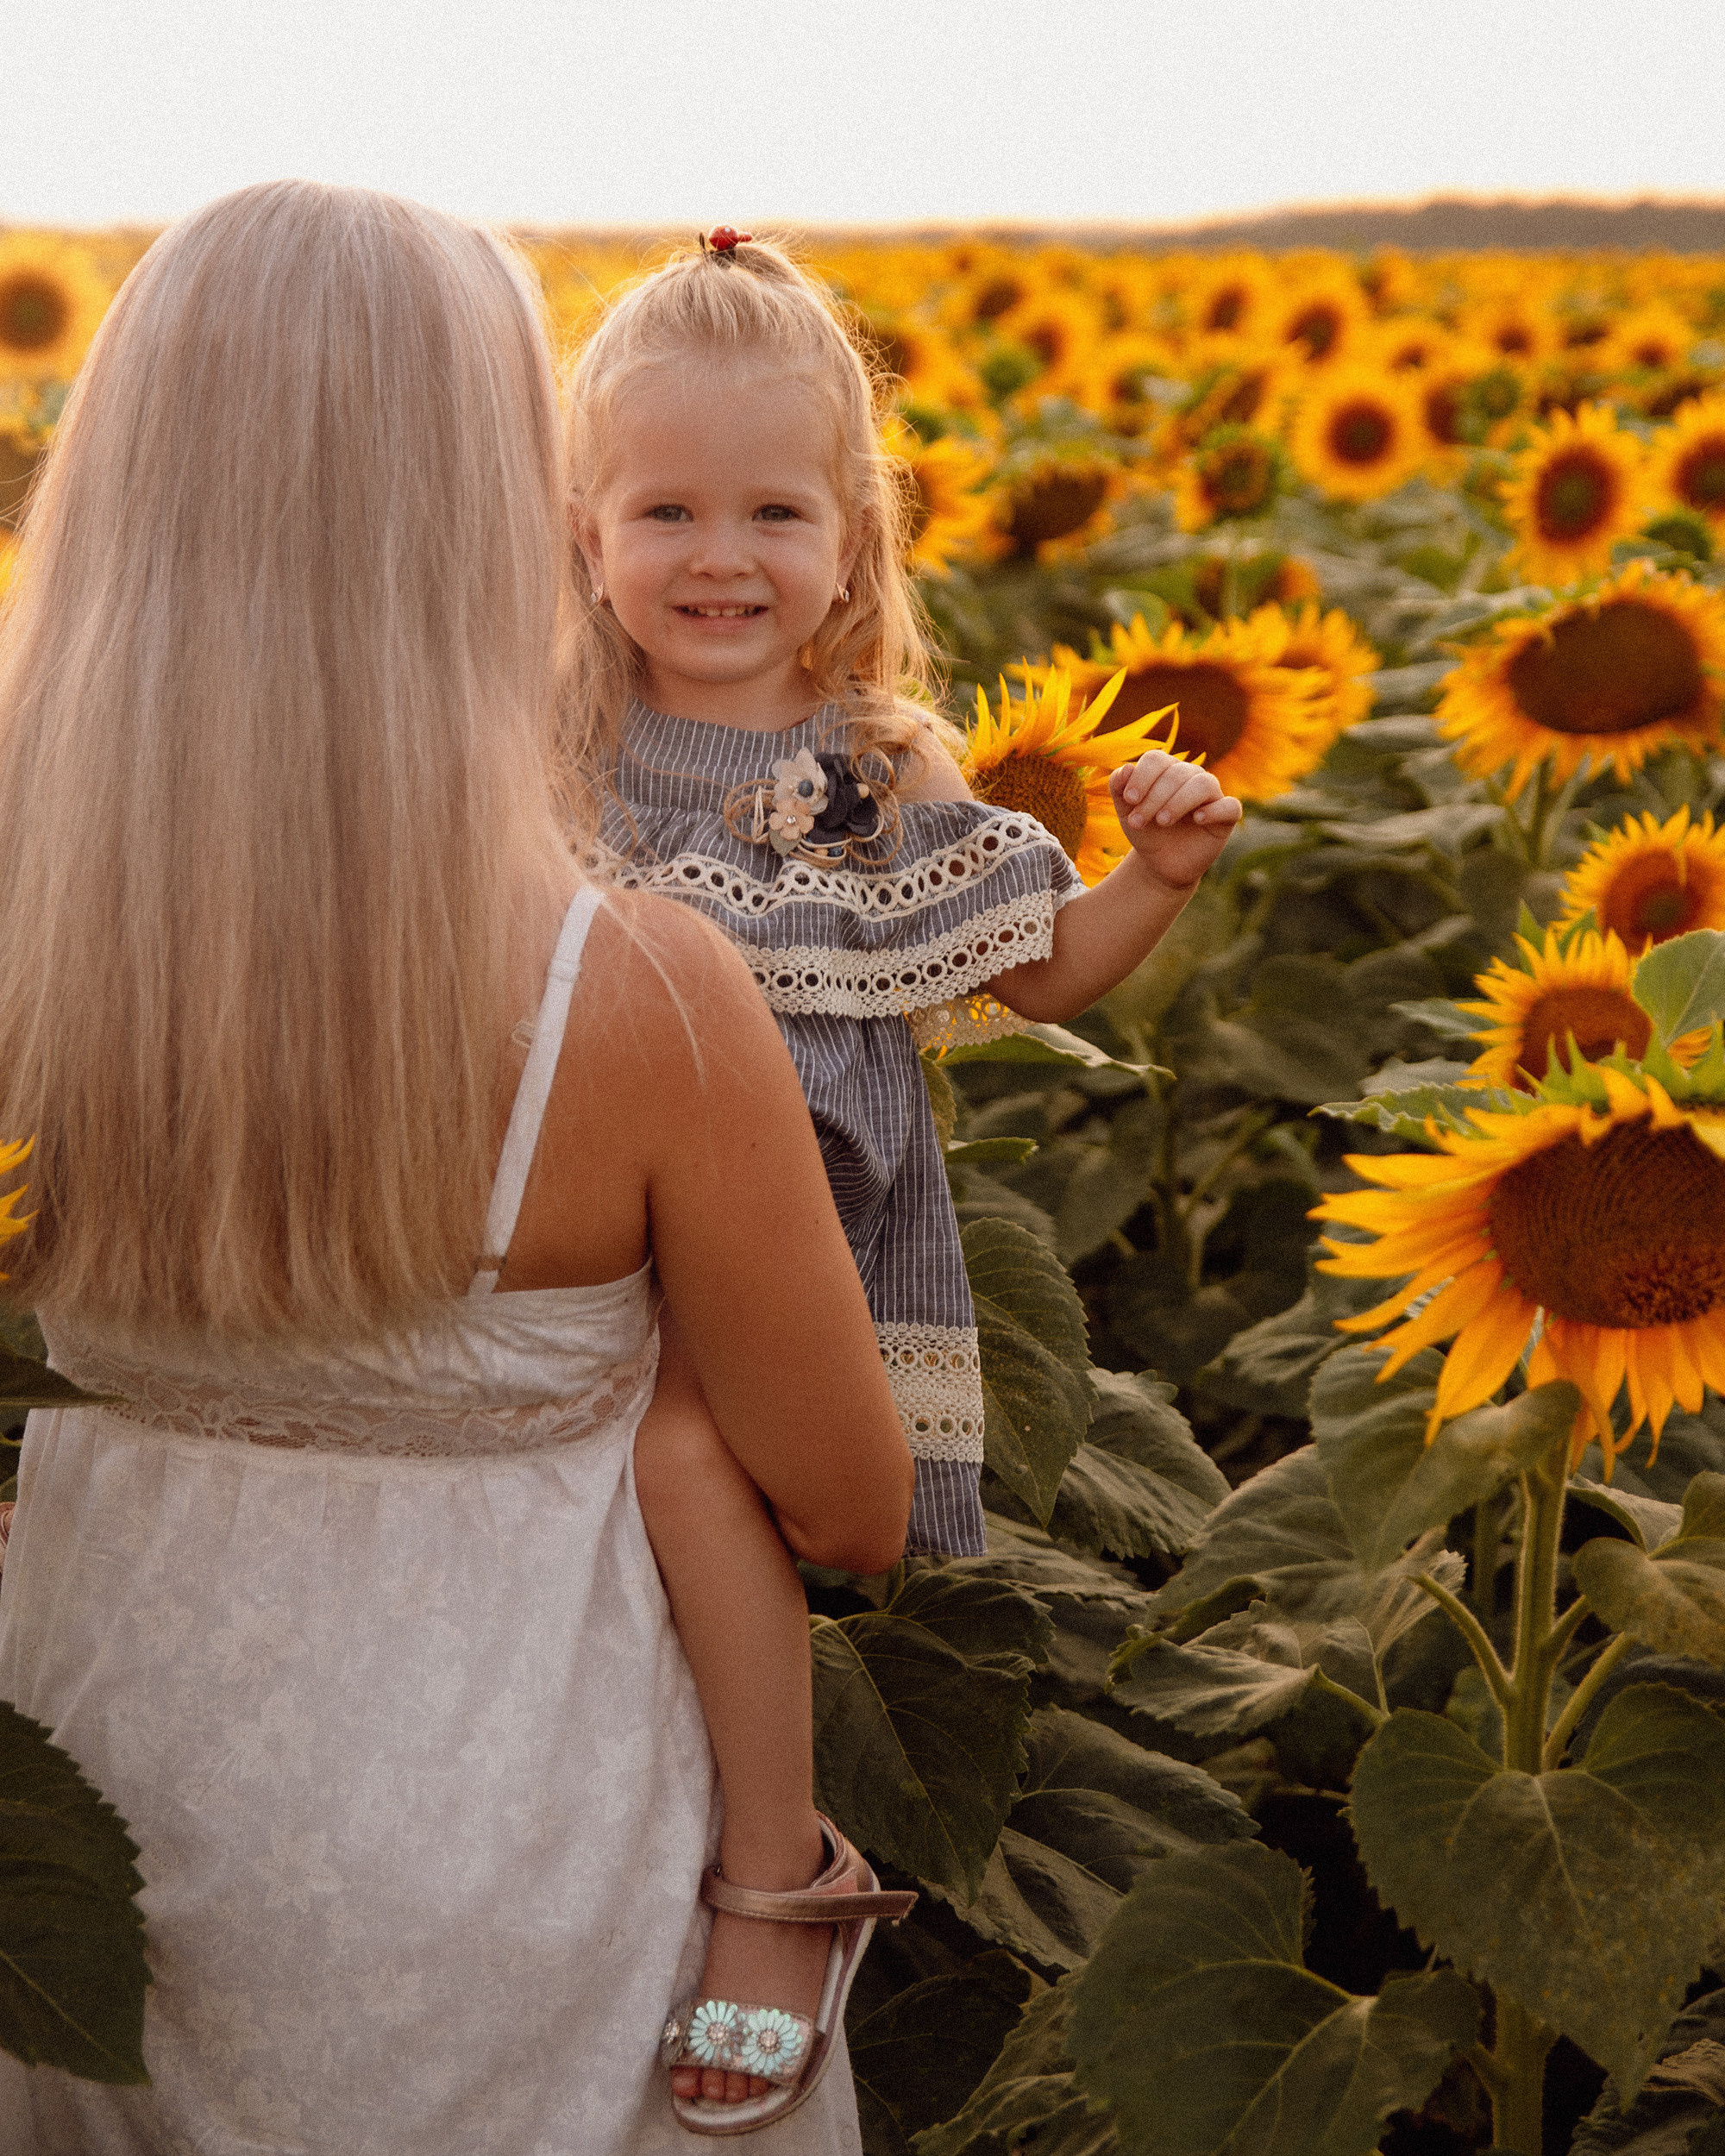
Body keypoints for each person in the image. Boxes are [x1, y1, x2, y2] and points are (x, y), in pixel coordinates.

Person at [0, 182, 914, 2154]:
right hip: (524, 1882)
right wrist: (671, 1374)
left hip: (100, 1835)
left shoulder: (23, 927)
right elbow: (853, 1503)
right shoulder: (642, 993)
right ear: (505, 504)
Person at [566, 232, 1243, 2128]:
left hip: (794, 1241)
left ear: (851, 542)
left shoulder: (872, 771)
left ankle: (776, 1873)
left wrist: (1153, 885)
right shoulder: (555, 749)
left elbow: (1034, 970)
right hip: (596, 1221)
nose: (720, 554)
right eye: (667, 506)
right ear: (581, 528)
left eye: (773, 508)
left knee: (698, 1462)